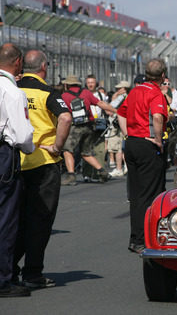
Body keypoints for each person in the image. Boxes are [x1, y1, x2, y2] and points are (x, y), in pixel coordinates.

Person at [13, 50, 72, 289]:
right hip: (43, 162)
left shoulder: (12, 90)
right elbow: (66, 118)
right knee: (40, 219)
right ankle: (33, 272)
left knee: (14, 218)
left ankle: (8, 268)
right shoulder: (47, 93)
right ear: (44, 67)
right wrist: (57, 146)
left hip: (15, 161)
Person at [117, 59, 169, 253]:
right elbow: (157, 116)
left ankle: (135, 238)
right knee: (151, 194)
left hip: (131, 143)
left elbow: (120, 113)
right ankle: (146, 238)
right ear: (163, 76)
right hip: (147, 144)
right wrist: (158, 139)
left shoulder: (135, 91)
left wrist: (127, 134)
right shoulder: (155, 93)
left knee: (137, 194)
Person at [0, 43, 34, 297]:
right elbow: (22, 136)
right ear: (18, 62)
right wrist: (31, 147)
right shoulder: (13, 92)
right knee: (6, 219)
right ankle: (4, 279)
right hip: (4, 155)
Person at [60, 75, 116, 185]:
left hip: (75, 127)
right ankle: (102, 171)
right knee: (86, 152)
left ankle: (71, 175)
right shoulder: (86, 93)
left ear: (66, 85)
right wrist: (115, 110)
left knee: (67, 150)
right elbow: (100, 104)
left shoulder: (64, 96)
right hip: (89, 126)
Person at [107, 80, 130, 177]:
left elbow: (109, 108)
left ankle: (119, 168)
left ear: (124, 89)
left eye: (119, 88)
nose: (117, 90)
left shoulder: (121, 97)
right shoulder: (130, 96)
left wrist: (114, 96)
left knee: (117, 148)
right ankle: (126, 167)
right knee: (124, 147)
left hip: (117, 125)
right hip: (127, 124)